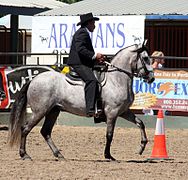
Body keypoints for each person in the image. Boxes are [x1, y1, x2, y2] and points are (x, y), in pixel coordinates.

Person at [67, 12, 105, 117]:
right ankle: (90, 109)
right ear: (88, 23)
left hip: (83, 62)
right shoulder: (82, 33)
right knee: (91, 80)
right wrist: (95, 56)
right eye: (93, 23)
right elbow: (81, 49)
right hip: (78, 63)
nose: (94, 25)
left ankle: (99, 106)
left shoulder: (83, 32)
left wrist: (97, 60)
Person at [142, 51, 165, 116]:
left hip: (159, 89)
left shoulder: (160, 67)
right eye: (162, 58)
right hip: (151, 88)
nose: (163, 60)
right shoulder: (150, 67)